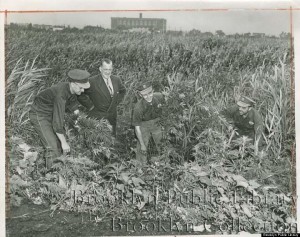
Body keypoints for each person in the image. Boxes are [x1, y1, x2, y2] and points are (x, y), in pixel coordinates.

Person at [29, 69, 90, 169]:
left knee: (61, 144)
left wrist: (78, 121)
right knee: (52, 147)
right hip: (40, 114)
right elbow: (57, 123)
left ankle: (62, 171)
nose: (83, 90)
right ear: (74, 84)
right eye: (81, 88)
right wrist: (64, 143)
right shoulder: (60, 95)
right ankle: (51, 178)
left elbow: (73, 105)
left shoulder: (70, 88)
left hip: (51, 112)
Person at [77, 59, 126, 136]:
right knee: (98, 140)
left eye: (110, 69)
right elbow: (79, 94)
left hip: (112, 116)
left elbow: (123, 91)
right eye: (105, 69)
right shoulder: (92, 81)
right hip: (97, 116)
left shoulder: (116, 79)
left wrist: (116, 102)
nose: (108, 72)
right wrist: (90, 106)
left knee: (111, 138)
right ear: (100, 69)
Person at [132, 82, 165, 165]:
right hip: (143, 125)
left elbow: (166, 109)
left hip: (157, 123)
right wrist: (142, 144)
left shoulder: (159, 97)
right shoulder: (138, 108)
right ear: (140, 95)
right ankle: (140, 167)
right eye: (145, 95)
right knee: (141, 148)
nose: (148, 96)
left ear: (153, 91)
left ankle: (164, 163)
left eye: (150, 93)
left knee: (162, 144)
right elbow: (137, 128)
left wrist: (164, 125)